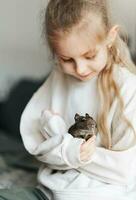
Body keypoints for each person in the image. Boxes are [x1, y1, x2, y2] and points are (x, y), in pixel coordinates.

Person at [1, 0, 136, 199]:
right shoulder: (59, 77)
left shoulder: (128, 87)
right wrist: (69, 151)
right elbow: (37, 148)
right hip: (49, 191)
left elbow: (125, 170)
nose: (80, 69)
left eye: (89, 56)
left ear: (110, 37)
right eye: (66, 59)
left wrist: (65, 146)